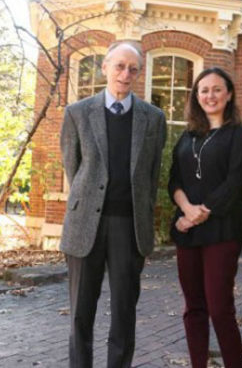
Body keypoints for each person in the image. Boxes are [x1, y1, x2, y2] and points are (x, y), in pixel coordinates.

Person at [60, 41, 166, 368]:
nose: (125, 74)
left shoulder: (153, 118)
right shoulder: (77, 113)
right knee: (81, 312)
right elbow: (73, 166)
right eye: (119, 66)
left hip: (128, 227)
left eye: (133, 69)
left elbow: (152, 173)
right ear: (105, 67)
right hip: (84, 227)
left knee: (124, 311)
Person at [168, 67, 242, 368]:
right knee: (194, 308)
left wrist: (195, 215)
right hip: (188, 232)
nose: (210, 95)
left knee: (219, 308)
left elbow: (233, 182)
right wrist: (187, 211)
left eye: (217, 89)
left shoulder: (238, 134)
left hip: (222, 230)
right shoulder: (187, 136)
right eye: (204, 90)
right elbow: (173, 181)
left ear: (228, 94)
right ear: (196, 96)